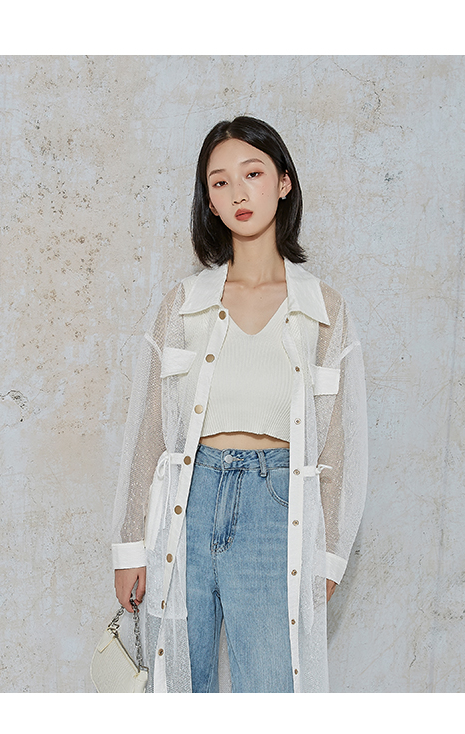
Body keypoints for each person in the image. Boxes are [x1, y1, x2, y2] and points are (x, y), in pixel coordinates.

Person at [111, 116, 368, 693]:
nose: (238, 193)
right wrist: (130, 548)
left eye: (252, 174)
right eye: (220, 182)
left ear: (283, 182)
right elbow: (147, 433)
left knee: (271, 688)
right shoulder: (181, 306)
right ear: (209, 200)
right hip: (187, 501)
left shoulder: (324, 311)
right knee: (181, 685)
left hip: (276, 508)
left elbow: (340, 447)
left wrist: (326, 556)